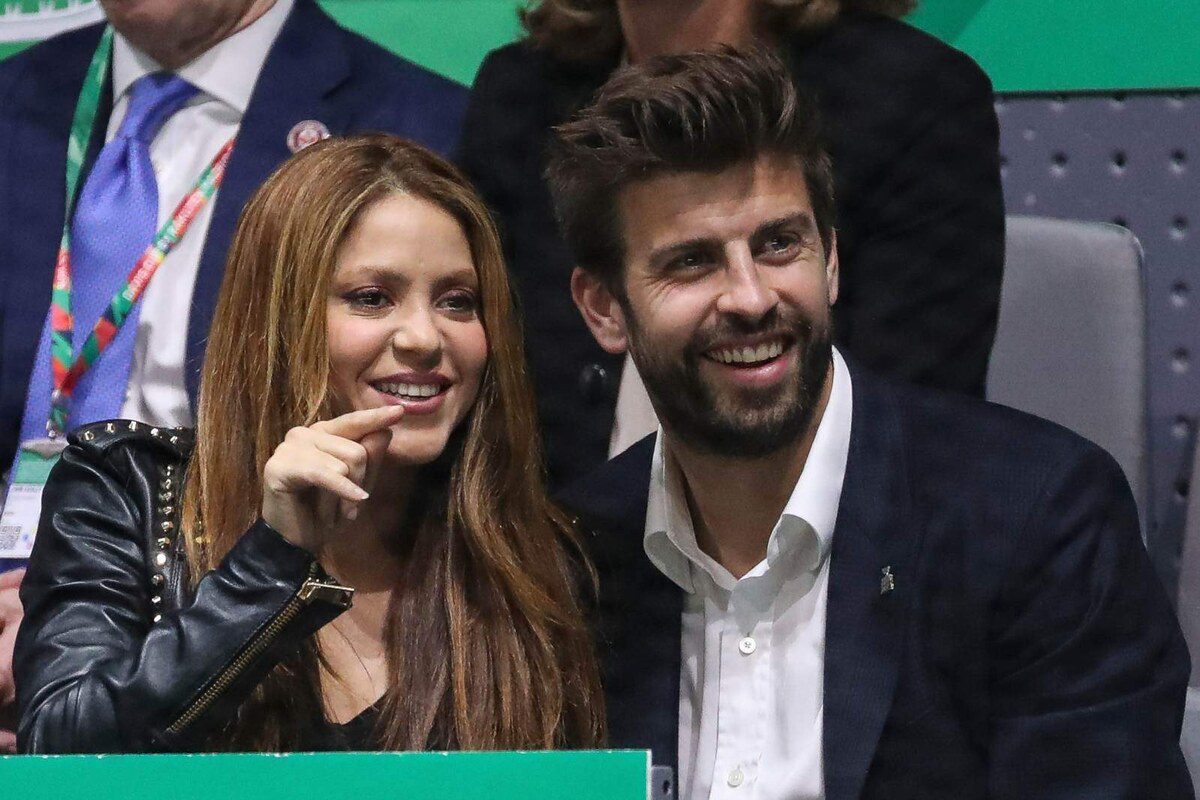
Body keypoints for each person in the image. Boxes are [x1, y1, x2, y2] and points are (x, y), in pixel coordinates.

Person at [548, 49, 1193, 798]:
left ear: (830, 260)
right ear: (603, 307)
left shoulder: (1037, 521)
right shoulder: (566, 564)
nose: (751, 298)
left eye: (778, 244)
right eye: (692, 262)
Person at [13, 134, 604, 754]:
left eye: (458, 302)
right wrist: (270, 561)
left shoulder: (545, 558)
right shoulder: (126, 491)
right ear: (277, 316)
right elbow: (61, 752)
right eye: (372, 298)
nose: (426, 338)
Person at [0, 0, 466, 748]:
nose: (420, 332)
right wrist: (59, 629)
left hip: (229, 606)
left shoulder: (429, 119)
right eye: (373, 298)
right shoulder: (16, 100)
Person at [459, 0, 1004, 488]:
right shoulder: (518, 91)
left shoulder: (913, 96)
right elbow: (478, 398)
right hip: (552, 546)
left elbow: (911, 439)